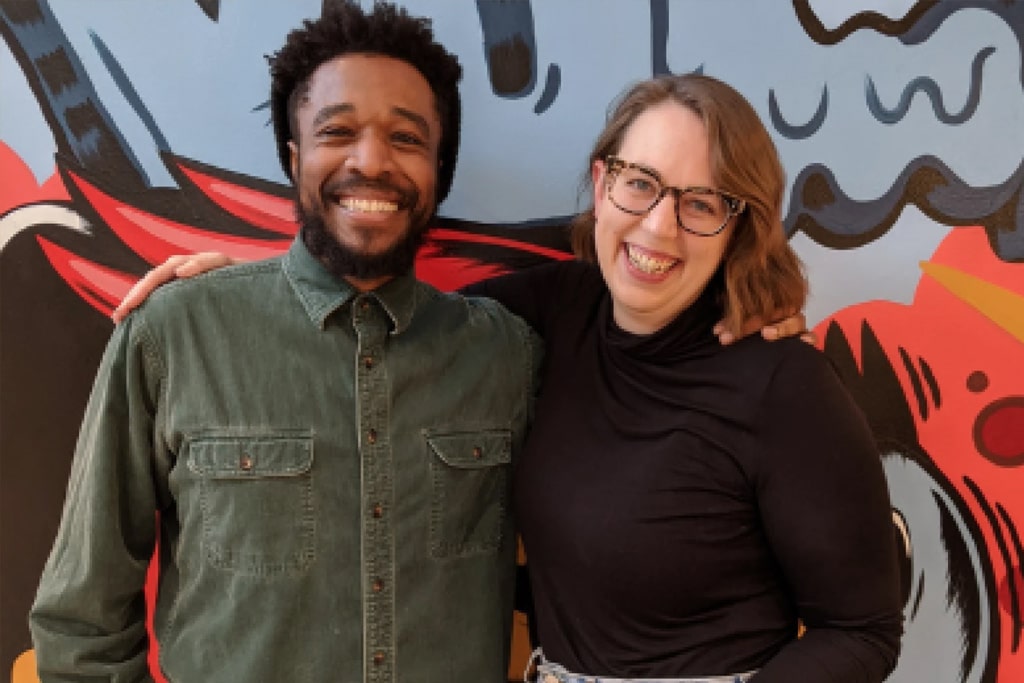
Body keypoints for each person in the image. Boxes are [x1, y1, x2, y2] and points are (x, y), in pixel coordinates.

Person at [111, 72, 902, 681]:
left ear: (737, 226)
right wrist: (239, 298)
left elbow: (862, 629)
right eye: (642, 183)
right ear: (602, 182)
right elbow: (381, 313)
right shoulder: (551, 312)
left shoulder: (781, 385)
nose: (660, 225)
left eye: (703, 203)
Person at [29, 4, 541, 682]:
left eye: (407, 138)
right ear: (294, 157)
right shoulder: (175, 336)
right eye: (338, 131)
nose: (371, 161)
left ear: (438, 169)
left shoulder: (508, 356)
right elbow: (81, 621)